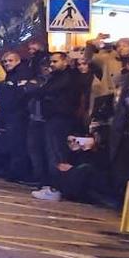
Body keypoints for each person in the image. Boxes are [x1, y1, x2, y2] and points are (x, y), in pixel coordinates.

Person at [31, 52, 88, 201]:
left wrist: (36, 90)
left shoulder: (67, 77)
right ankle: (55, 186)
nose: (52, 64)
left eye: (55, 61)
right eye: (51, 61)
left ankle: (56, 188)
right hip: (55, 118)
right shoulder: (59, 77)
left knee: (56, 153)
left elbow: (45, 91)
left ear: (65, 62)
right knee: (54, 152)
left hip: (60, 119)